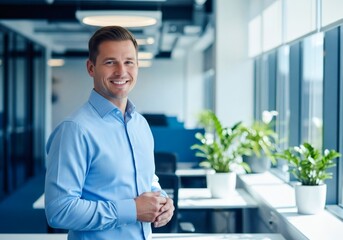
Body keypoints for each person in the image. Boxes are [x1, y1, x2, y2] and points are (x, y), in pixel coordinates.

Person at [44, 26, 174, 240]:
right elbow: (59, 210)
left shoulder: (140, 125)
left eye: (129, 62)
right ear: (91, 68)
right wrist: (132, 210)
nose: (121, 72)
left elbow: (147, 179)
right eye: (110, 62)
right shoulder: (75, 130)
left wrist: (162, 200)